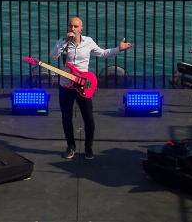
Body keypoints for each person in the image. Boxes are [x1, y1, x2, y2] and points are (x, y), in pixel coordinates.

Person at [51, 16, 132, 160]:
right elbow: (53, 57)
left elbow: (103, 53)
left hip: (83, 84)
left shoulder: (88, 42)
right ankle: (71, 147)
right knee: (66, 117)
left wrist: (119, 48)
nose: (73, 29)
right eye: (70, 26)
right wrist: (63, 43)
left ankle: (88, 148)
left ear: (81, 28)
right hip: (66, 85)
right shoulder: (63, 42)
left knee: (88, 118)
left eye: (76, 26)